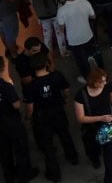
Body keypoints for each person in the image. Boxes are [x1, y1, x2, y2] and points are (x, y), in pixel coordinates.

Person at [23, 53, 78, 182]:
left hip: (42, 118)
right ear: (46, 63)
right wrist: (65, 99)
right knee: (65, 134)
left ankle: (54, 174)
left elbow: (30, 108)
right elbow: (66, 90)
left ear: (32, 67)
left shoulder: (30, 86)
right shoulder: (56, 76)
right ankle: (73, 157)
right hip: (58, 112)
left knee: (47, 145)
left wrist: (28, 117)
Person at [73, 68, 112, 183]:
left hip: (109, 128)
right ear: (93, 82)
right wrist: (100, 118)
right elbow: (81, 118)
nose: (104, 83)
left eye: (105, 80)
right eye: (101, 82)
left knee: (111, 157)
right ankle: (94, 159)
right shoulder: (81, 95)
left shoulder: (107, 86)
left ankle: (110, 180)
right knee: (93, 149)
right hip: (92, 129)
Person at [0, 55, 38, 183]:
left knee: (4, 152)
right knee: (20, 149)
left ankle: (8, 176)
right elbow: (16, 104)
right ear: (2, 68)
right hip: (12, 123)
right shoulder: (6, 86)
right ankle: (24, 174)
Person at [56, 0, 97, 81]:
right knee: (91, 56)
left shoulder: (61, 10)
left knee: (80, 61)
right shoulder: (85, 3)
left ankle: (87, 78)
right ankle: (97, 74)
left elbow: (61, 28)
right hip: (88, 36)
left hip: (74, 40)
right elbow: (93, 16)